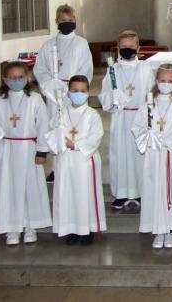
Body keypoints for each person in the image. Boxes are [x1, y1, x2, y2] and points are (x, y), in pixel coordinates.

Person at [0, 61, 51, 246]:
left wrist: (42, 150)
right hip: (7, 150)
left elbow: (43, 125)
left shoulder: (35, 99)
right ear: (5, 80)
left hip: (29, 149)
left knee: (30, 187)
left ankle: (30, 226)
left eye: (20, 77)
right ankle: (12, 228)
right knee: (8, 187)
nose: (17, 80)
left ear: (27, 77)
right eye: (12, 77)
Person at [132, 63, 172, 249]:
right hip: (153, 156)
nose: (166, 84)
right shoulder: (147, 105)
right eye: (162, 80)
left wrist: (166, 142)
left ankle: (171, 229)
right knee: (154, 190)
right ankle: (158, 230)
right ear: (156, 81)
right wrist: (149, 137)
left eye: (170, 81)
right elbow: (137, 127)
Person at [34, 4, 94, 182]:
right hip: (54, 95)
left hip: (74, 93)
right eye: (63, 20)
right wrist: (50, 85)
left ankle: (76, 163)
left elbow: (86, 68)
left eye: (70, 20)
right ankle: (56, 167)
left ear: (75, 20)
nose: (67, 23)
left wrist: (76, 89)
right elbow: (40, 69)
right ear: (56, 21)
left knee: (75, 128)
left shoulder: (81, 44)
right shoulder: (48, 45)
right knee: (56, 127)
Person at [45, 75, 106, 245]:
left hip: (84, 160)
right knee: (67, 194)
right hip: (65, 160)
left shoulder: (92, 114)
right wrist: (59, 141)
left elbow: (96, 136)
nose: (79, 94)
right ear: (68, 92)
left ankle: (86, 230)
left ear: (88, 92)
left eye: (83, 91)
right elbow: (52, 132)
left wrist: (76, 144)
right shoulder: (61, 112)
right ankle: (71, 228)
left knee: (83, 194)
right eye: (75, 90)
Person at [98, 30, 154, 211]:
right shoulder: (112, 70)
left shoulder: (146, 68)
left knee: (140, 156)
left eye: (131, 47)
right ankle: (121, 193)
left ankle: (141, 192)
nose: (128, 49)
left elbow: (151, 93)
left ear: (138, 48)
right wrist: (112, 97)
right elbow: (104, 95)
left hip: (140, 118)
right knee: (120, 155)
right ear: (117, 48)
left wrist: (148, 113)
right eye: (124, 47)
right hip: (121, 117)